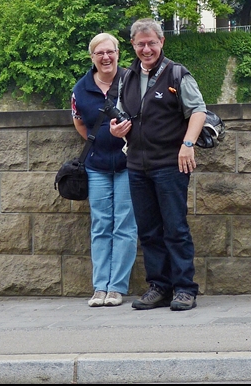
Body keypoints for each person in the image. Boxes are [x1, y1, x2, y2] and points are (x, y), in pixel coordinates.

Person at [110, 18, 206, 312]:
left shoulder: (177, 74)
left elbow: (199, 112)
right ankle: (159, 287)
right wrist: (117, 129)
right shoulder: (127, 77)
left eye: (152, 42)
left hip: (170, 163)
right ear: (133, 45)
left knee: (175, 228)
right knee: (149, 230)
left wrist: (187, 145)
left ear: (162, 42)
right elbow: (122, 114)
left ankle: (184, 289)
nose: (147, 48)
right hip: (137, 164)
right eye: (141, 43)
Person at [71, 33, 138, 307]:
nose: (106, 57)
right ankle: (100, 286)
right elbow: (79, 122)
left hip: (127, 163)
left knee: (125, 225)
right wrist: (97, 140)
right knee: (100, 225)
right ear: (92, 57)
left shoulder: (131, 81)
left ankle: (116, 287)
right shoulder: (81, 88)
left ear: (118, 53)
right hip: (97, 165)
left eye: (110, 52)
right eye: (99, 53)